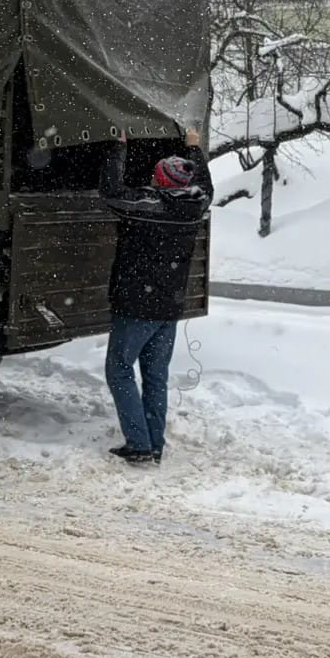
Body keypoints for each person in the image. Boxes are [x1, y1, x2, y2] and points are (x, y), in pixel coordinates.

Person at [99, 126, 212, 465]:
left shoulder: (148, 206)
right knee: (155, 376)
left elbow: (111, 192)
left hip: (136, 305)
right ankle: (154, 443)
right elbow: (206, 186)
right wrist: (195, 149)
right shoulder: (196, 205)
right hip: (168, 308)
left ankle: (138, 444)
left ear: (161, 181)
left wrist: (117, 149)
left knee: (118, 369)